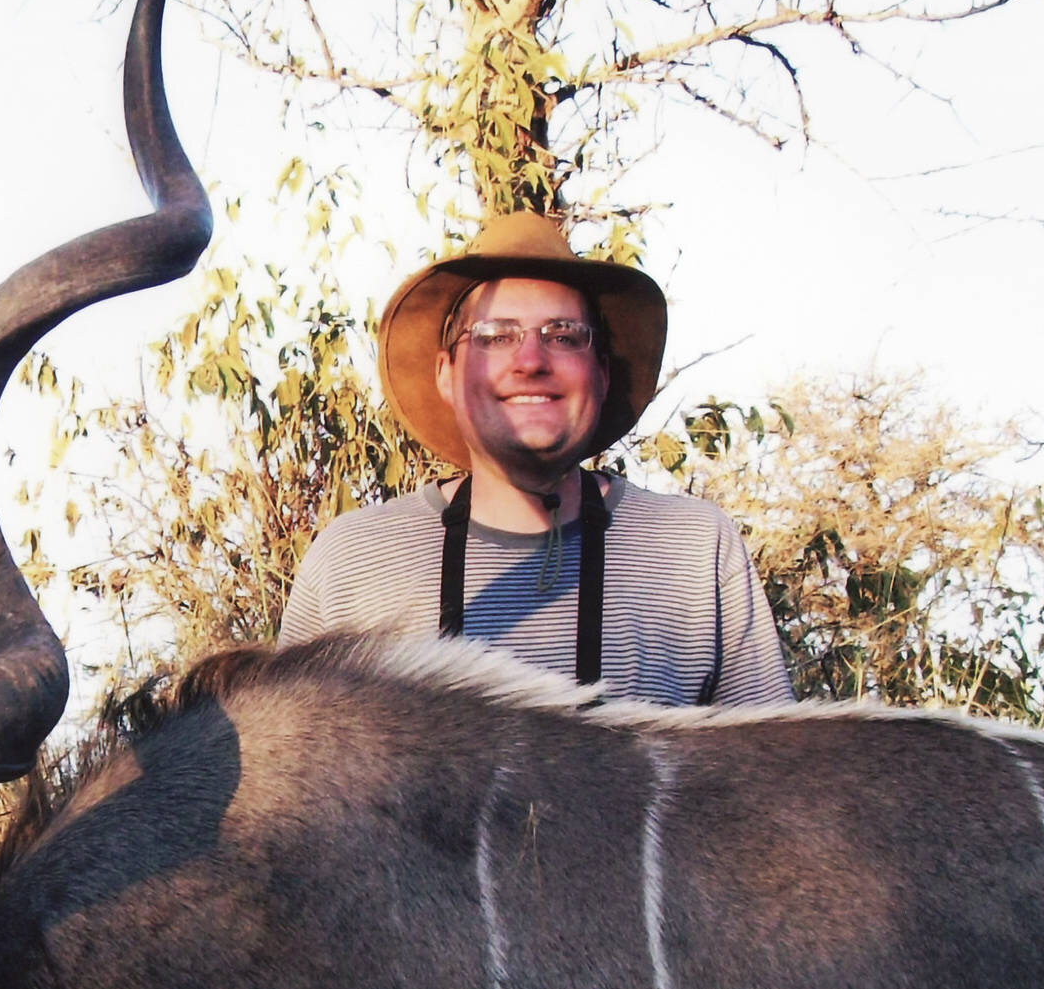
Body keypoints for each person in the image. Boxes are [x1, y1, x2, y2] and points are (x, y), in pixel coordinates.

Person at [279, 212, 793, 707]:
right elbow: (289, 781)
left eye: (564, 336)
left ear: (603, 374)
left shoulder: (694, 550)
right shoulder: (351, 560)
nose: (530, 361)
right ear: (445, 374)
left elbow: (774, 778)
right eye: (496, 336)